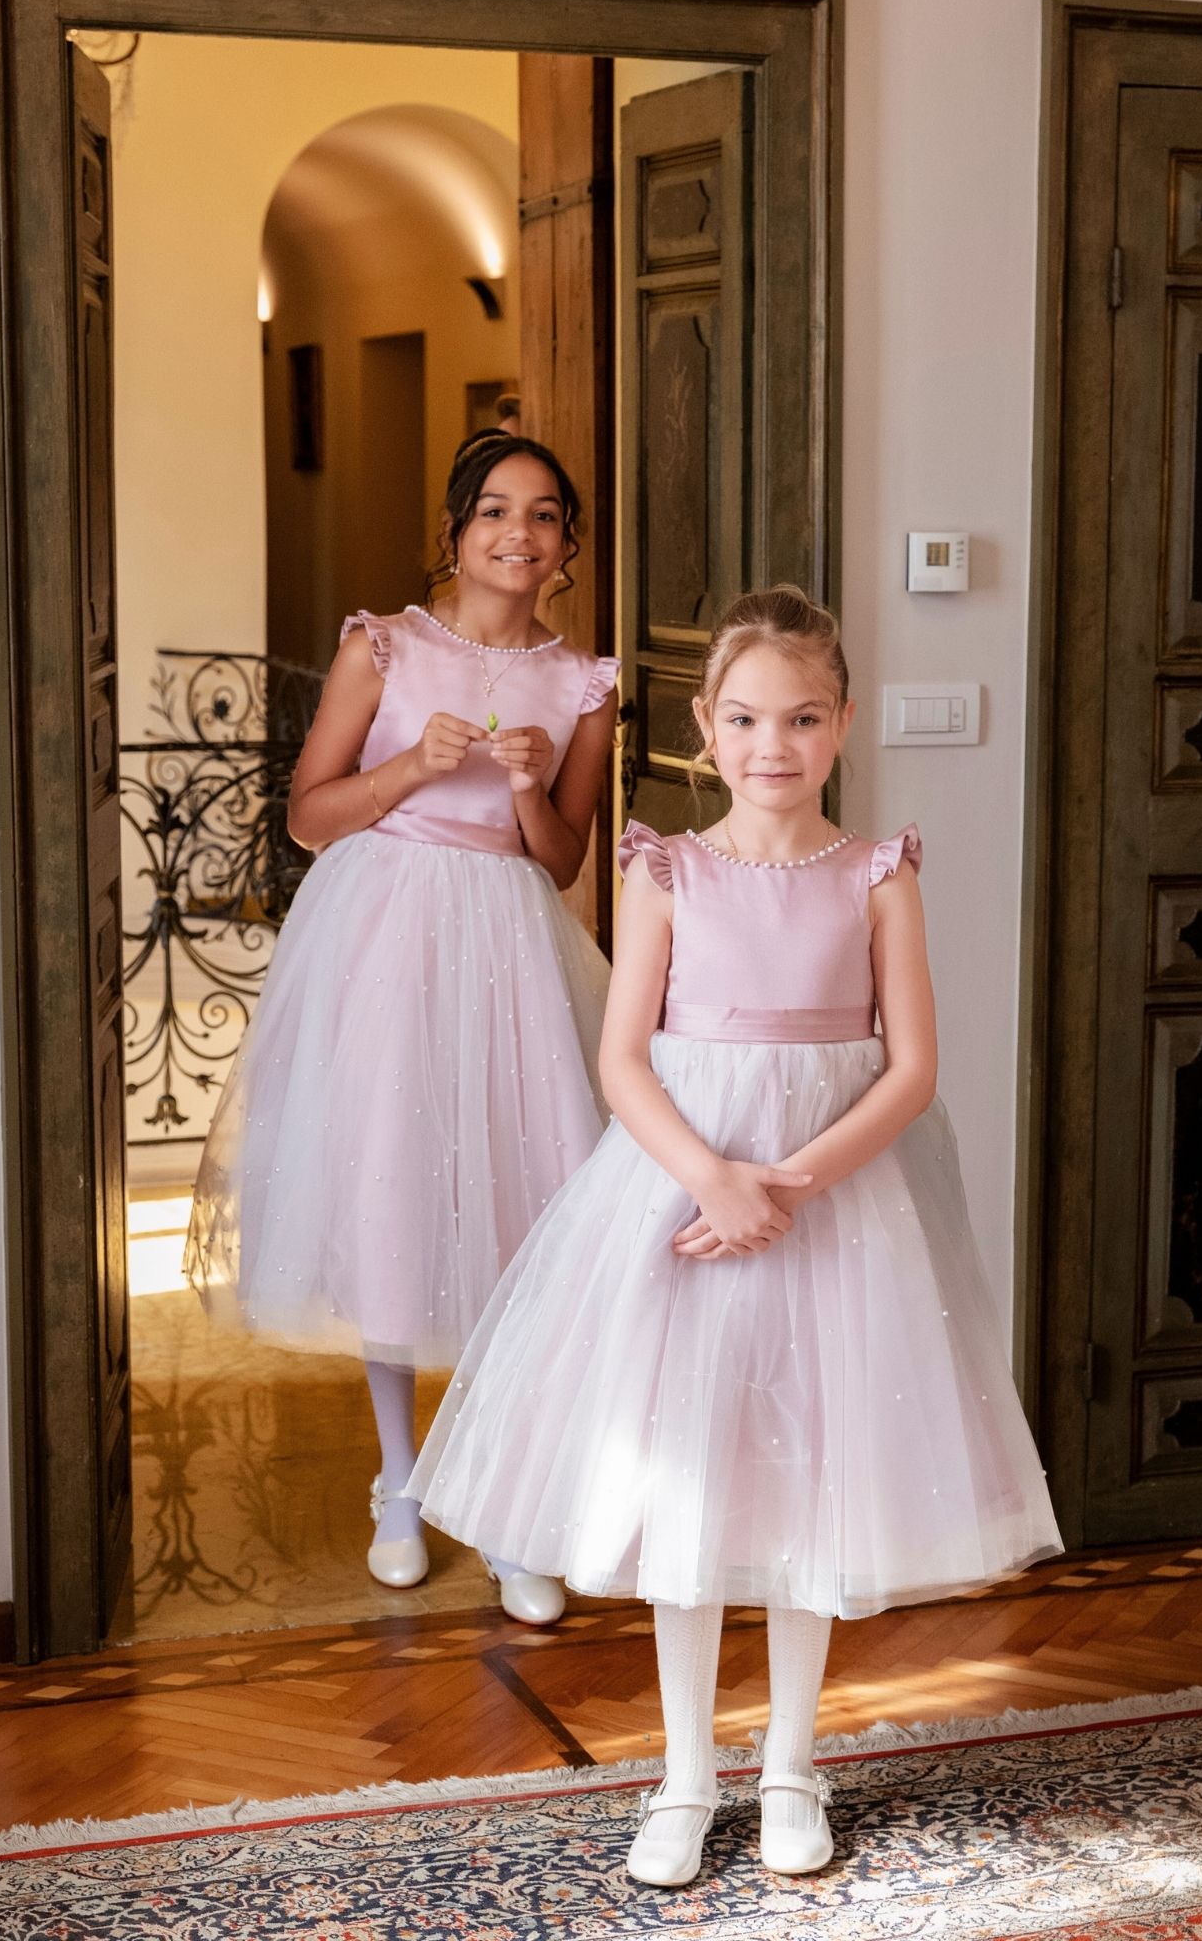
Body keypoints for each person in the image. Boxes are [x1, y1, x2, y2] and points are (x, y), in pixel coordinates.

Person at [409, 585, 1062, 1883]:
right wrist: (715, 1183)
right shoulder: (665, 869)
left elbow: (910, 1070)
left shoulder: (878, 875)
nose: (775, 744)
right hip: (681, 1207)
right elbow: (623, 1062)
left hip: (835, 1212)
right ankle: (686, 1774)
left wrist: (789, 1187)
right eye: (749, 718)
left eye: (803, 718)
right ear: (706, 726)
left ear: (843, 724)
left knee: (815, 1478)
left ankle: (791, 1767)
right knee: (690, 1480)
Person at [184, 429, 618, 1624]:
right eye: (495, 510)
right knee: (389, 1187)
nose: (519, 533)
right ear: (455, 531)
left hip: (509, 951)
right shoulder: (383, 645)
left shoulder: (584, 686)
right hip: (379, 936)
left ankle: (502, 1500)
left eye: (543, 515)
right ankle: (399, 1480)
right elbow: (309, 814)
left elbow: (563, 859)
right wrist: (411, 771)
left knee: (519, 1208)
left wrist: (525, 787)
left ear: (567, 546)